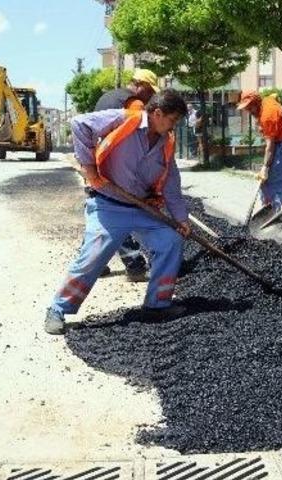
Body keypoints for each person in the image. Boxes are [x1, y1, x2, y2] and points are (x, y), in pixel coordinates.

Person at [45, 90, 191, 335]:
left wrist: (181, 219)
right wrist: (90, 169)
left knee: (170, 241)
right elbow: (79, 123)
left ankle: (157, 305)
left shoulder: (166, 142)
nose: (174, 126)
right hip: (108, 205)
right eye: (172, 119)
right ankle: (58, 309)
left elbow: (171, 184)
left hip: (142, 208)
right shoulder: (125, 119)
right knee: (94, 254)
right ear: (157, 113)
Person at [92, 69, 163, 282]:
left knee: (101, 216)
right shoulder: (134, 105)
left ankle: (98, 264)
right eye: (150, 91)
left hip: (101, 163)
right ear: (140, 85)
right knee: (120, 217)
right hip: (119, 168)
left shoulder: (107, 97)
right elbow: (139, 143)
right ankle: (135, 266)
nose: (151, 97)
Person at [237, 91, 282, 227]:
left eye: (250, 107)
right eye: (246, 108)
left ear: (257, 102)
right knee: (276, 184)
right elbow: (274, 97)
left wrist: (265, 167)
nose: (248, 111)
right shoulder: (267, 101)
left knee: (273, 183)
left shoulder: (267, 116)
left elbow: (270, 146)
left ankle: (274, 217)